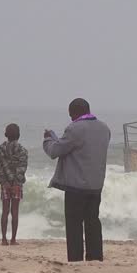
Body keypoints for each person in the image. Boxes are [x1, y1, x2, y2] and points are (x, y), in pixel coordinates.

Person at [43, 98, 111, 262]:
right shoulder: (105, 128)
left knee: (74, 224)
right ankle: (95, 257)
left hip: (76, 186)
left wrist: (48, 139)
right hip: (96, 184)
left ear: (74, 113)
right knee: (93, 221)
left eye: (71, 115)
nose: (71, 118)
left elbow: (55, 151)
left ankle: (75, 259)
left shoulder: (75, 128)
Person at [0, 123, 29, 246]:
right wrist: (16, 183)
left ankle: (4, 239)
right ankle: (13, 239)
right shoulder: (22, 150)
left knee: (5, 211)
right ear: (19, 135)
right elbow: (22, 168)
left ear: (6, 135)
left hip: (5, 184)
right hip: (17, 184)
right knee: (15, 211)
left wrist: (4, 182)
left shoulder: (0, 149)